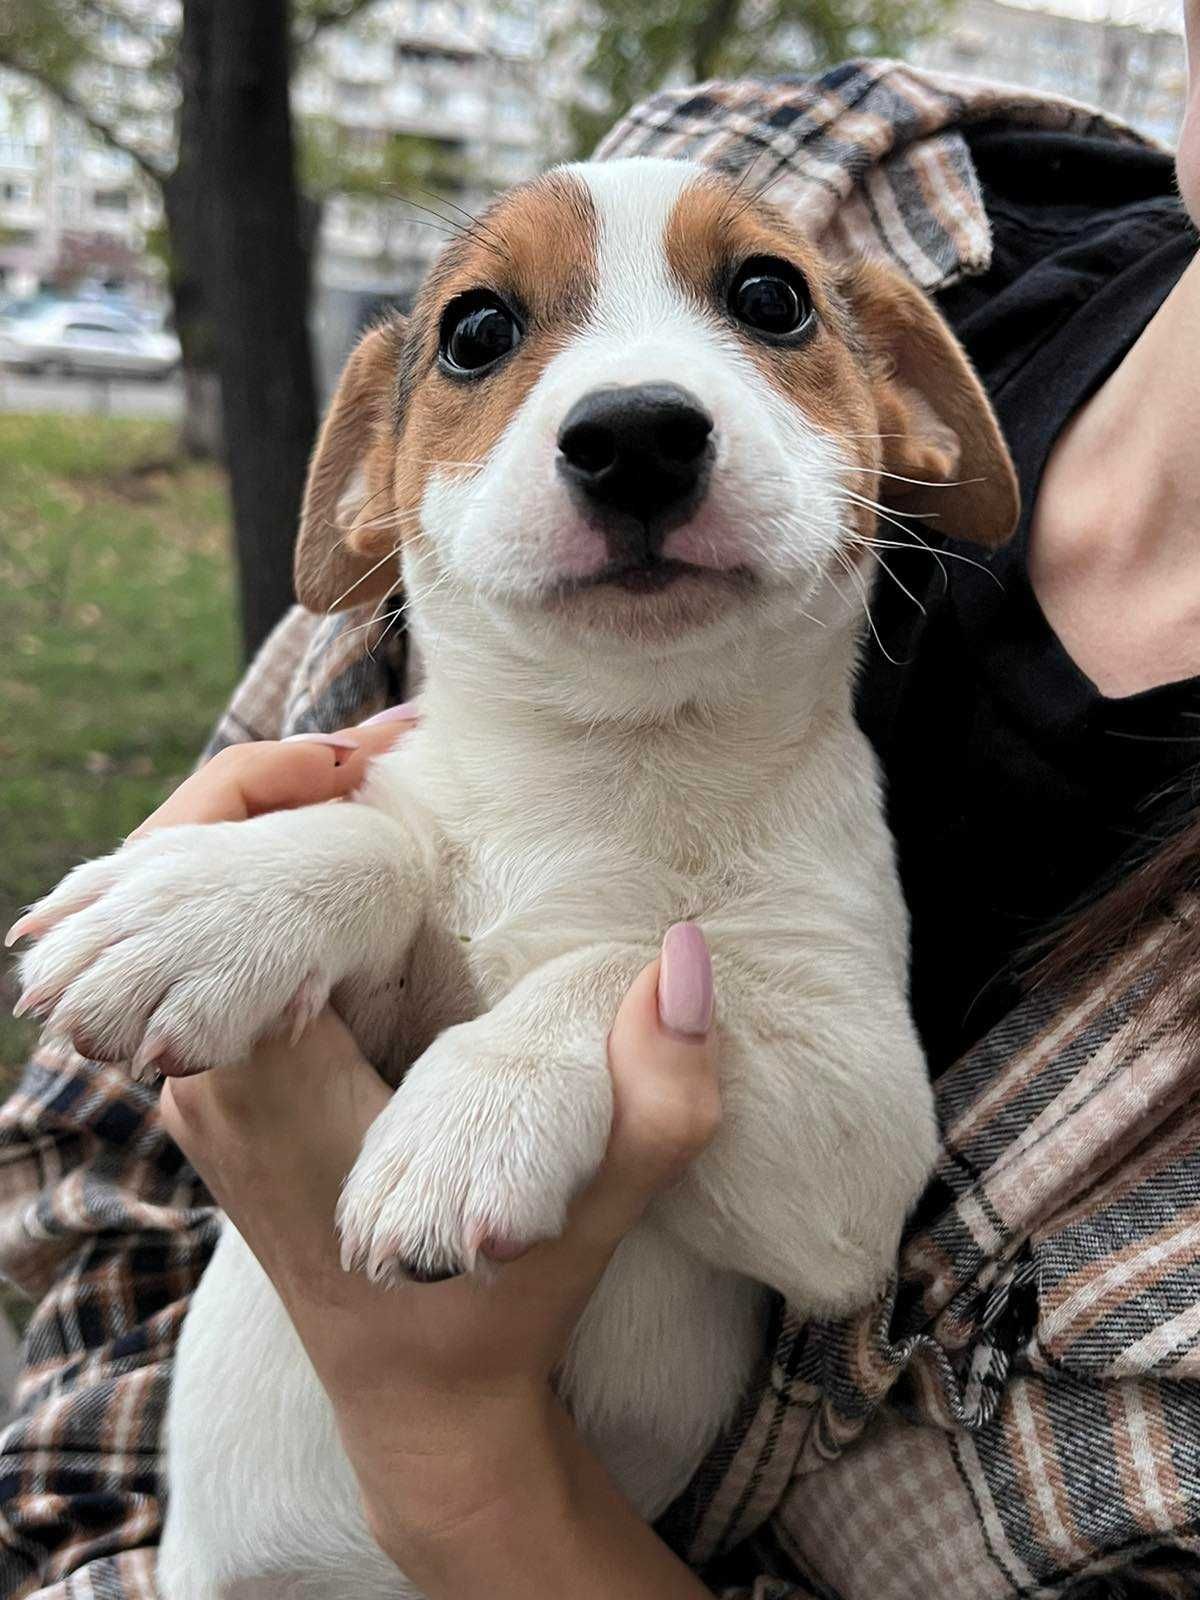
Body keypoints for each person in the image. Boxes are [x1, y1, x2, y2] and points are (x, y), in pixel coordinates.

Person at [1, 39, 1198, 1600]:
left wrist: (566, 1028)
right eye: (488, 333)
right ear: (380, 479)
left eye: (767, 309)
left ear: (900, 406)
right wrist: (332, 868)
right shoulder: (856, 158)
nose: (630, 410)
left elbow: (838, 1231)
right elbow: (92, 1177)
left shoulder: (808, 836)